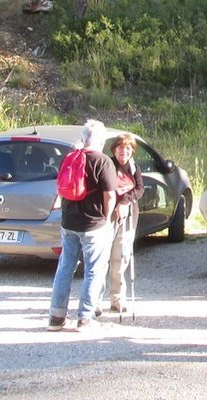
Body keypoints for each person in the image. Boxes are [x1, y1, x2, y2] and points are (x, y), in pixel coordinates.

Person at [48, 119, 117, 331]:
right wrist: (106, 218)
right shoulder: (103, 161)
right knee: (94, 270)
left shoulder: (69, 158)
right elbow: (110, 195)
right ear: (101, 140)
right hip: (93, 224)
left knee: (65, 268)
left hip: (68, 222)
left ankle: (56, 317)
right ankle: (85, 317)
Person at [106, 133, 143, 314]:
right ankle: (95, 299)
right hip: (107, 217)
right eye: (121, 148)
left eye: (128, 148)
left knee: (120, 258)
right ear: (114, 149)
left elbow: (139, 189)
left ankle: (117, 298)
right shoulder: (107, 165)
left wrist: (125, 201)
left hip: (129, 217)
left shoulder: (134, 167)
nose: (124, 151)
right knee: (103, 258)